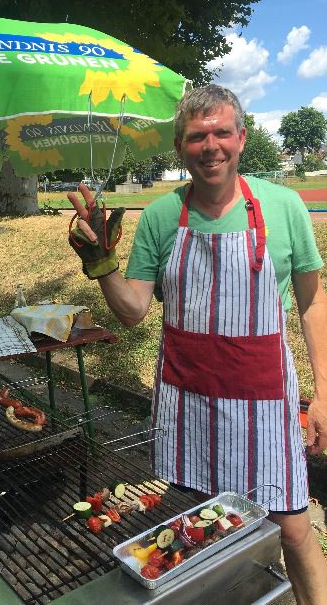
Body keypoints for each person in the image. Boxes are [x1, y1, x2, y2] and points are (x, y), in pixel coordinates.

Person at [68, 85, 327, 603]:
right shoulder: (161, 217)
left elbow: (313, 303)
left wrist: (323, 393)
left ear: (241, 138)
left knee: (294, 529)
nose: (211, 146)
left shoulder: (283, 207)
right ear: (179, 147)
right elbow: (133, 311)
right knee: (199, 528)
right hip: (190, 405)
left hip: (261, 406)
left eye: (221, 133)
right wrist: (101, 265)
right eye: (196, 137)